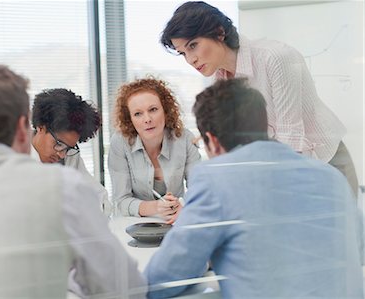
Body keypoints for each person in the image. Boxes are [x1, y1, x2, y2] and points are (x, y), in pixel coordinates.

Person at [0, 62, 145, 298]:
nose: (62, 153)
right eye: (59, 144)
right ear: (25, 127)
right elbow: (126, 285)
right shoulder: (60, 188)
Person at [145, 78, 363, 298]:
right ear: (265, 127)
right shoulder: (331, 176)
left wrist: (208, 252)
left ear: (212, 140)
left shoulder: (215, 178)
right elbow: (359, 248)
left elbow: (163, 278)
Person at [160, 1, 359, 196]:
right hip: (280, 169)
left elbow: (291, 139)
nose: (190, 59)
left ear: (219, 32)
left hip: (326, 165)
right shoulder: (218, 80)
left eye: (193, 45)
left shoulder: (276, 58)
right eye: (183, 53)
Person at [108, 77, 201, 223]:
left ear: (165, 110)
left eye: (153, 109)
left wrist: (184, 206)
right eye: (138, 114)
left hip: (177, 220)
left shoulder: (185, 139)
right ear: (130, 119)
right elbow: (121, 201)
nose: (147, 119)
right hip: (133, 225)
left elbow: (199, 189)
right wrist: (156, 207)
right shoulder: (119, 143)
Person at [31, 88, 110, 215]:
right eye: (59, 144)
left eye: (68, 148)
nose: (62, 154)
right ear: (41, 127)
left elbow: (100, 199)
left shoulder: (70, 156)